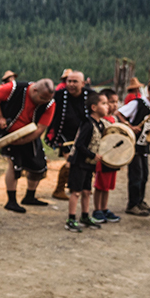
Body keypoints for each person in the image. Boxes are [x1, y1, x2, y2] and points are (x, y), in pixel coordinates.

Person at [0, 77, 56, 212]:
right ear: (35, 90)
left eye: (47, 99)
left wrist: (22, 141)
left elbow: (40, 128)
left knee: (39, 167)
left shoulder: (50, 104)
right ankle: (11, 200)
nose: (44, 101)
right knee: (14, 165)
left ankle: (30, 196)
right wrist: (0, 117)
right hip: (8, 133)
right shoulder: (13, 88)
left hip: (29, 136)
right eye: (42, 98)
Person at [116, 78, 150, 216]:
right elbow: (119, 113)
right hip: (133, 145)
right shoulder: (137, 103)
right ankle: (132, 204)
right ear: (148, 90)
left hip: (144, 145)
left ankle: (140, 201)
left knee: (144, 175)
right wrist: (130, 127)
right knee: (136, 175)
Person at [65, 90, 108, 232]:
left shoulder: (100, 124)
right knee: (76, 192)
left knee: (87, 191)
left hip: (89, 164)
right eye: (104, 104)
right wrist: (92, 154)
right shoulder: (88, 124)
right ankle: (71, 219)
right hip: (79, 162)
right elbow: (79, 144)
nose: (107, 107)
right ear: (94, 107)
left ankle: (84, 216)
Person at [46, 70, 88, 200]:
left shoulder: (90, 95)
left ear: (83, 83)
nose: (71, 84)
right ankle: (59, 190)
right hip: (63, 134)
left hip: (83, 135)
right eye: (69, 81)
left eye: (75, 81)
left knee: (80, 162)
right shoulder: (59, 95)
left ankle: (76, 186)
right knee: (70, 161)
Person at [91, 88, 122, 224]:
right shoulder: (101, 121)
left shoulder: (114, 119)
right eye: (110, 102)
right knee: (100, 185)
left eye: (116, 102)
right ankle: (97, 209)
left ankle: (104, 208)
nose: (114, 105)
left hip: (112, 158)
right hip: (103, 157)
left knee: (108, 186)